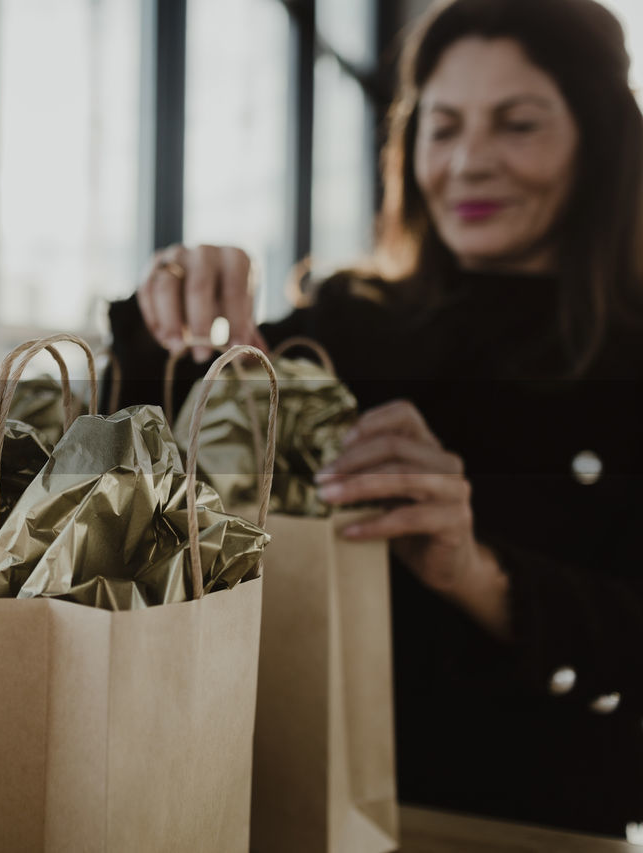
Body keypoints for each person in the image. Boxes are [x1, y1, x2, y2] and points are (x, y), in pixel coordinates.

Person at [110, 0, 643, 837]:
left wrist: (479, 572)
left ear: (601, 143)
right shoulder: (348, 324)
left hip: (541, 820)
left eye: (518, 124)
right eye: (442, 126)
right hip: (294, 809)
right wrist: (168, 308)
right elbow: (136, 439)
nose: (468, 162)